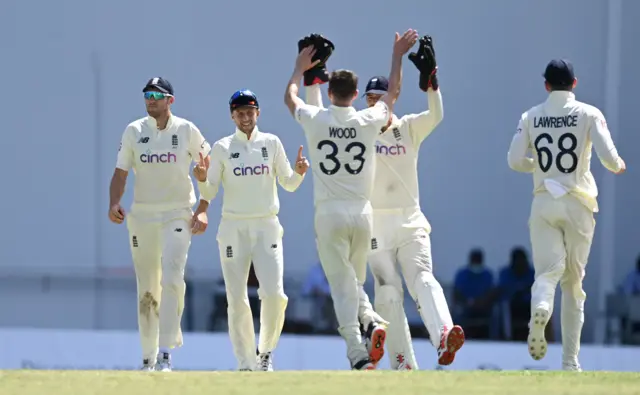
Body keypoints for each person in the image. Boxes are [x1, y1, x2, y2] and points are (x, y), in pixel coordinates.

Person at [304, 34, 464, 370]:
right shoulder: (362, 129)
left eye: (381, 97)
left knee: (423, 277)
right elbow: (322, 120)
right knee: (389, 293)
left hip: (409, 220)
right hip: (374, 223)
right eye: (372, 97)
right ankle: (403, 363)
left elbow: (435, 115)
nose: (378, 102)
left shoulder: (408, 128)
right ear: (366, 102)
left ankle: (445, 335)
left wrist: (431, 82)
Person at [284, 29, 419, 370]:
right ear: (357, 94)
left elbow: (290, 98)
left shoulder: (317, 119)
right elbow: (393, 93)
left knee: (341, 285)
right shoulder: (368, 119)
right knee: (354, 283)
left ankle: (356, 351)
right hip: (362, 213)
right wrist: (397, 55)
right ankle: (371, 320)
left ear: (329, 92)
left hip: (329, 214)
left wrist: (299, 69)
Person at [507, 59, 626, 371]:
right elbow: (609, 157)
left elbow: (514, 159)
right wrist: (618, 166)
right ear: (574, 83)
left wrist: (539, 167)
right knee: (573, 282)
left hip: (544, 200)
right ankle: (570, 362)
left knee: (546, 274)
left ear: (546, 85)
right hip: (578, 203)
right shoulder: (589, 113)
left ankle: (542, 307)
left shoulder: (530, 116)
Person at [192, 89, 309, 371]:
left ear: (258, 113)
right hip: (233, 227)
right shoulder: (222, 148)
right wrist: (201, 178)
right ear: (232, 115)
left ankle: (265, 354)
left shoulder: (271, 143)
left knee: (275, 295)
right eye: (240, 112)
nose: (245, 117)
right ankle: (245, 362)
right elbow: (210, 190)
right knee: (236, 298)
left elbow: (289, 184)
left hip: (267, 226)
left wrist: (300, 172)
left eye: (250, 111)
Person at [108, 77, 211, 372]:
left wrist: (202, 207)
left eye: (156, 95)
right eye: (146, 95)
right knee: (147, 289)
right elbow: (120, 173)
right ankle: (147, 357)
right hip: (142, 216)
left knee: (173, 276)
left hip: (178, 213)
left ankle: (165, 352)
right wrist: (115, 202)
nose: (150, 99)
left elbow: (210, 171)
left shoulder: (187, 130)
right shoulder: (133, 131)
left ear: (170, 101)